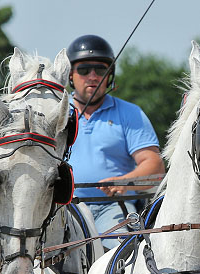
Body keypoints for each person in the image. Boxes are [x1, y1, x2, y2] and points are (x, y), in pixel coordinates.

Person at [66, 34, 165, 249]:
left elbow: (154, 166)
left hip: (113, 206)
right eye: (84, 70)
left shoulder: (130, 113)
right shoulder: (57, 114)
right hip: (65, 208)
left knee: (122, 251)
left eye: (100, 70)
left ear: (109, 75)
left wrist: (124, 181)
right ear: (71, 75)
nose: (93, 76)